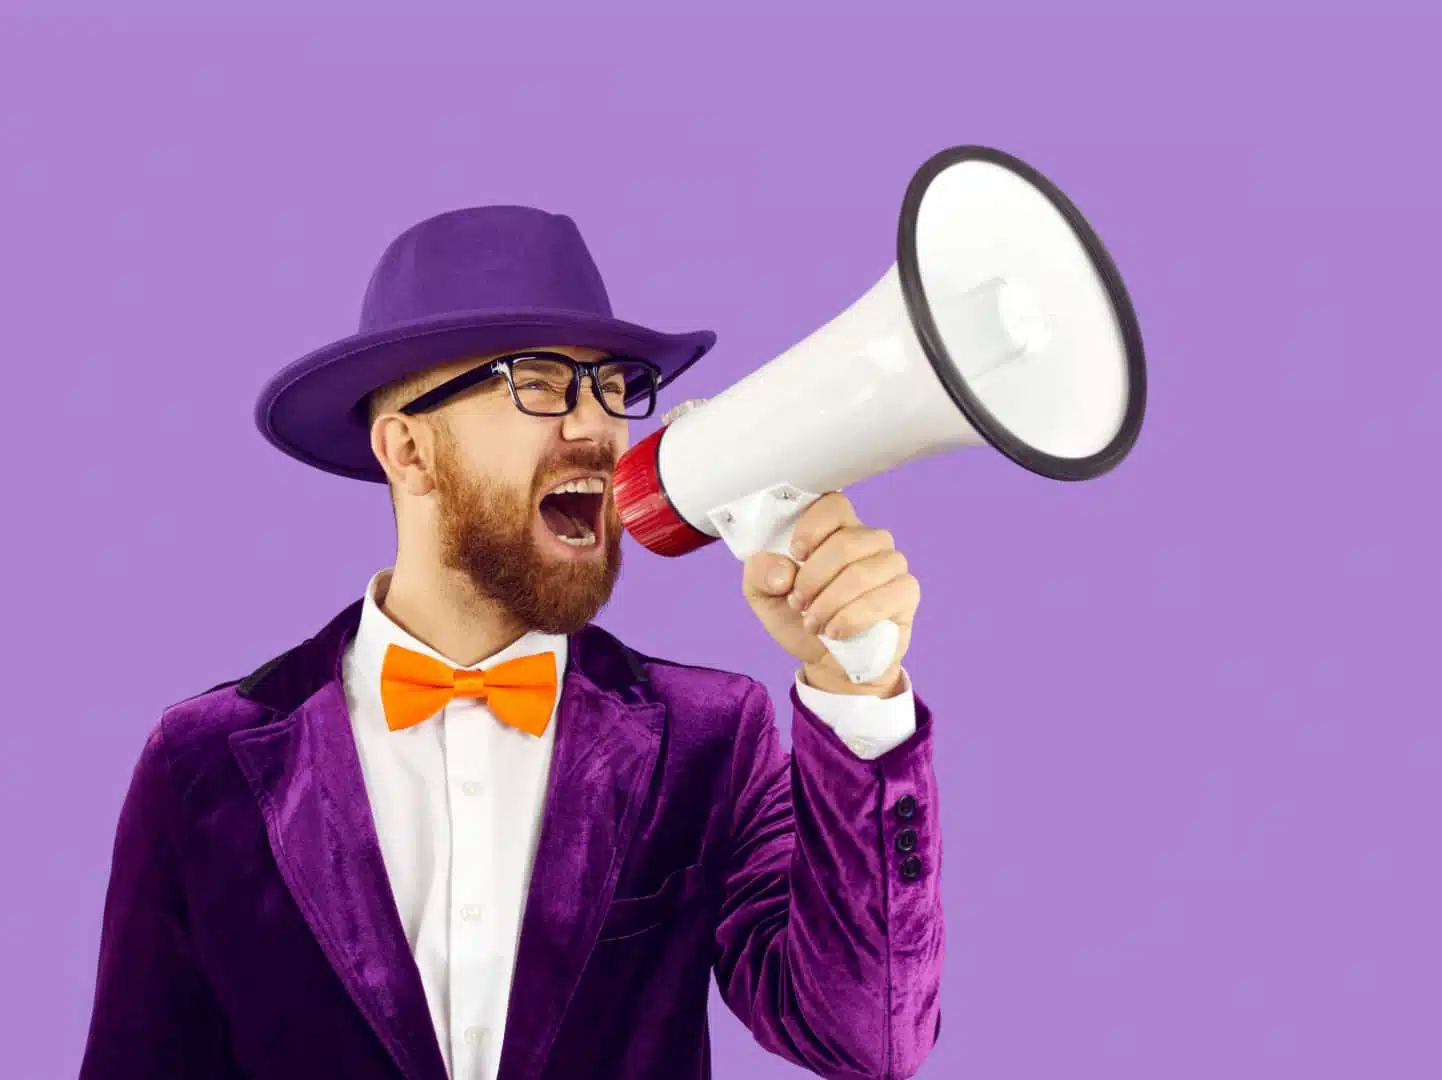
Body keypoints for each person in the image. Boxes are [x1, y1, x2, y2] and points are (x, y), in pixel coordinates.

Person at [78, 206, 943, 1080]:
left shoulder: (711, 736)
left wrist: (854, 688)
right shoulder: (201, 760)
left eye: (614, 387)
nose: (597, 430)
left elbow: (868, 1039)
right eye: (538, 381)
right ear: (408, 450)